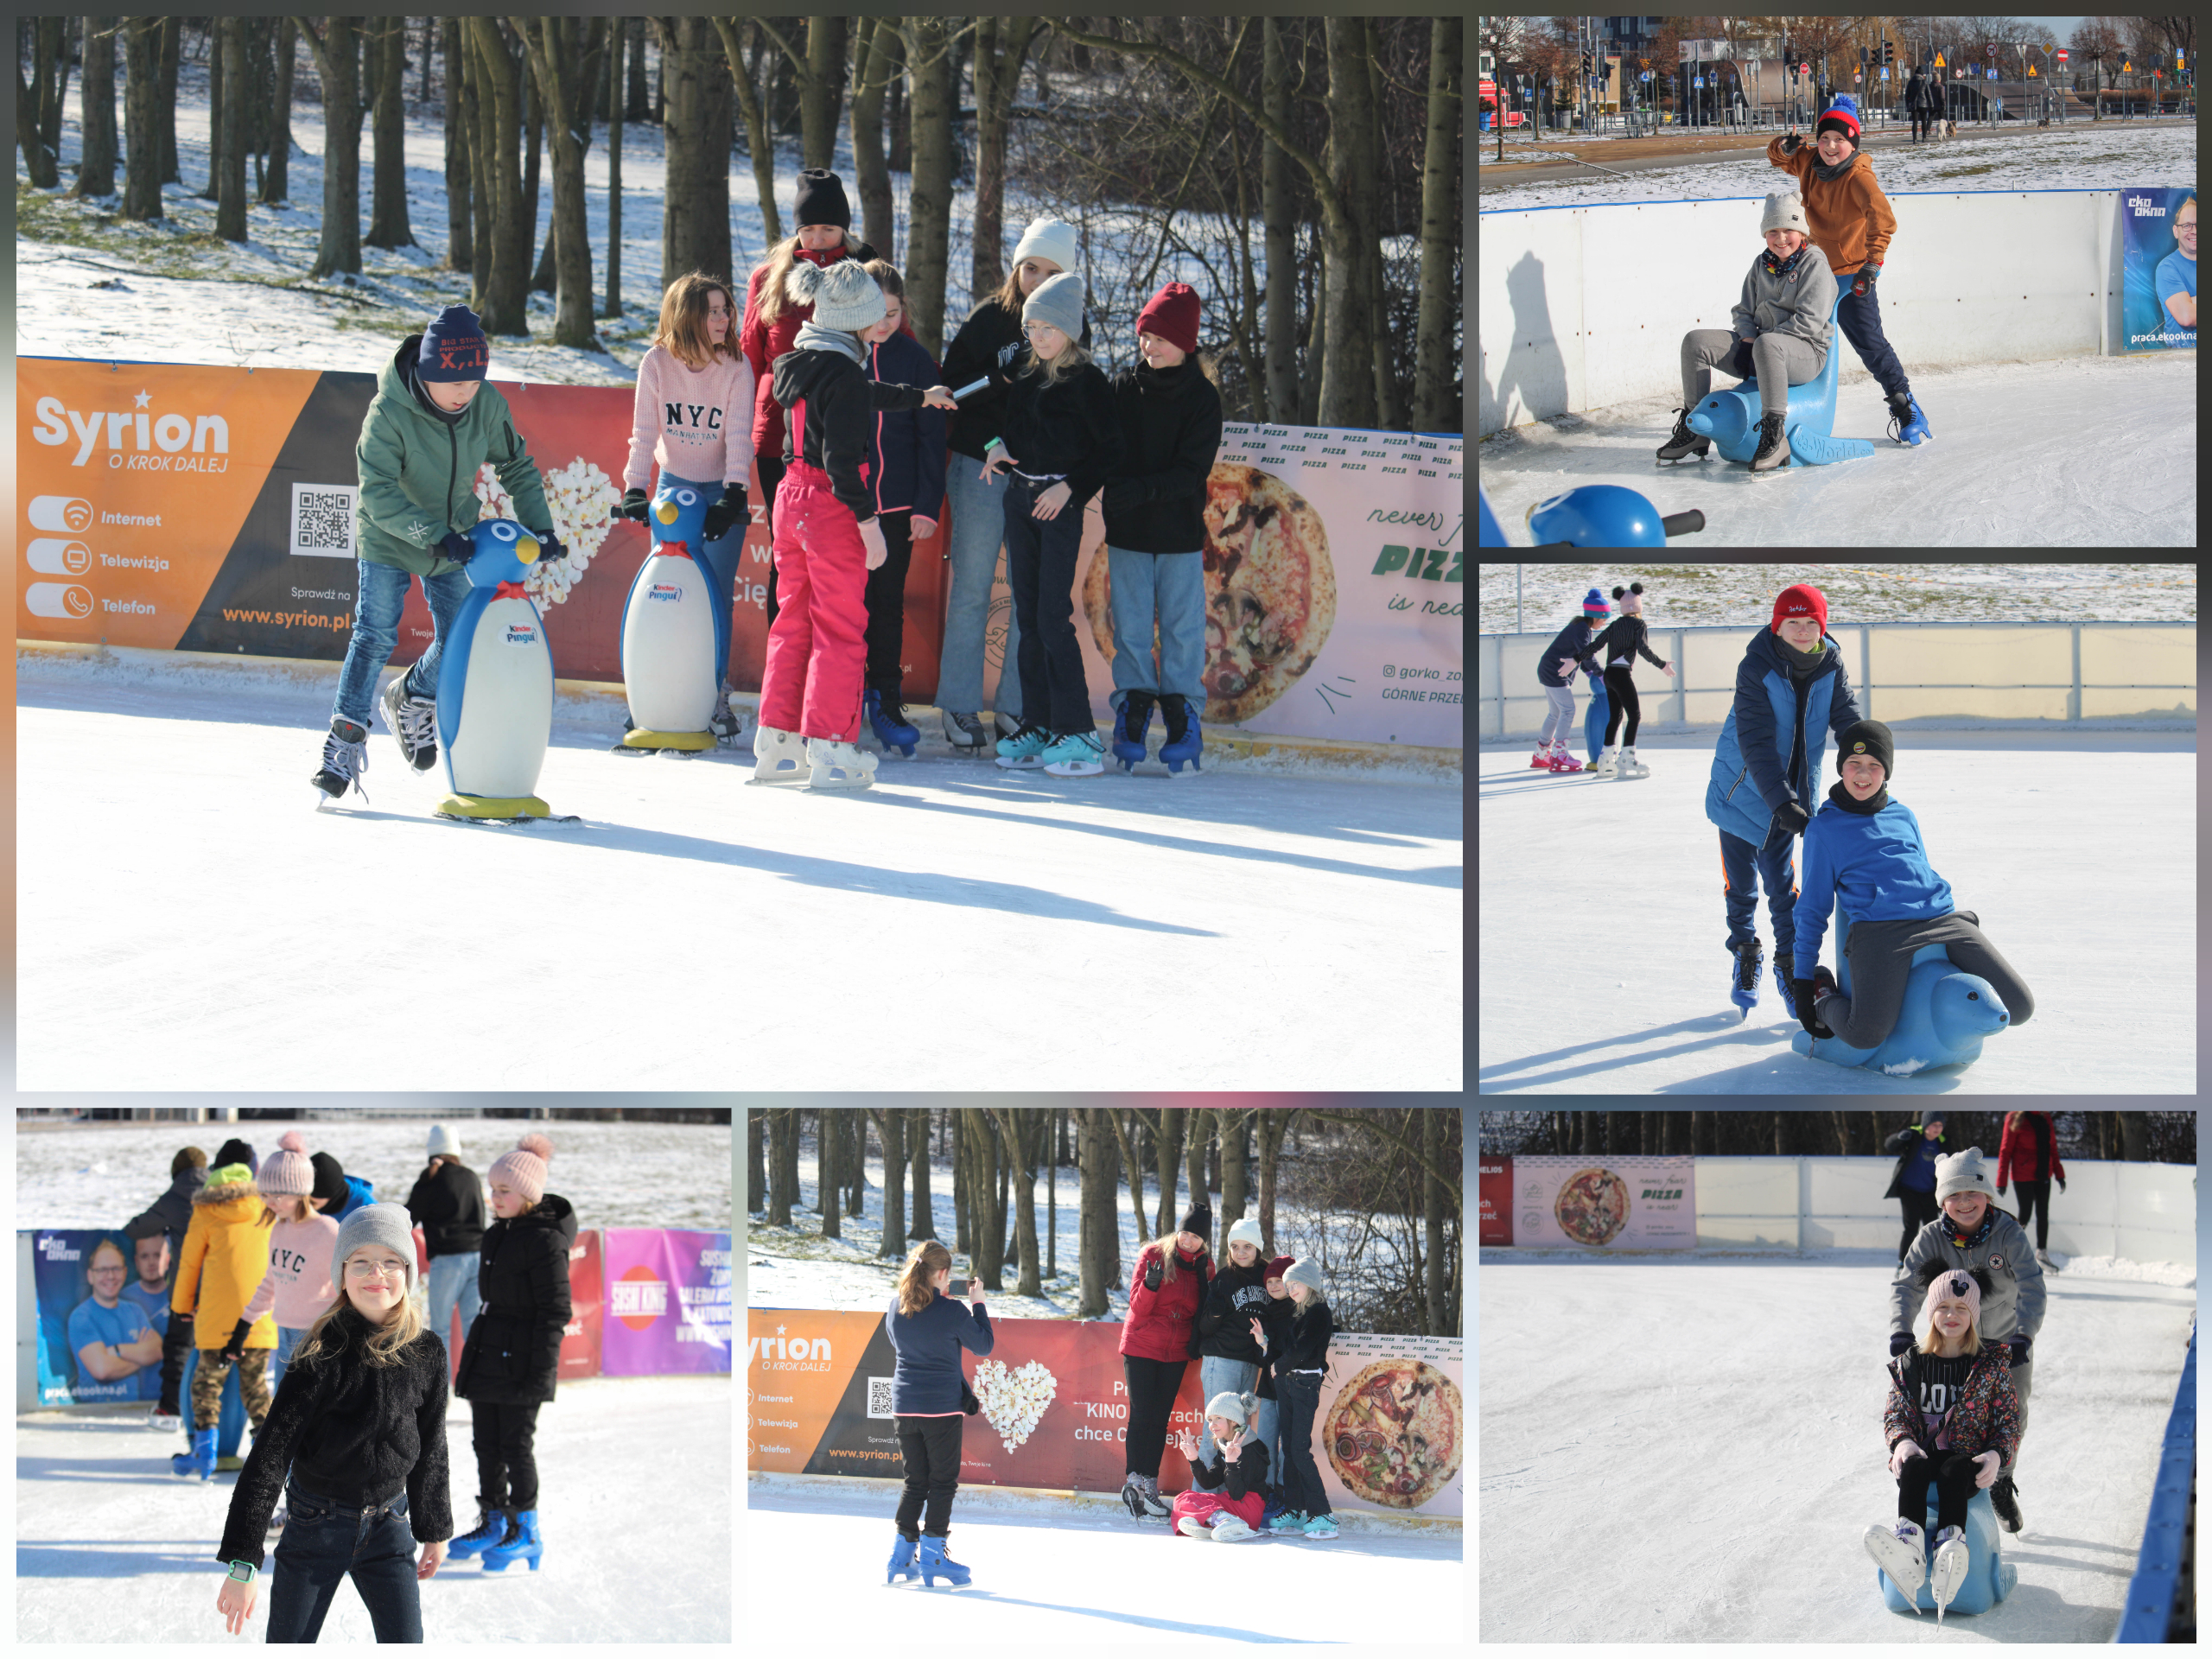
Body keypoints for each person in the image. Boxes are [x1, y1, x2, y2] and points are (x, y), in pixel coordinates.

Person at [314, 305, 563, 804]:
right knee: (375, 632)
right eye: (456, 385)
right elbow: (377, 490)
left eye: (475, 382)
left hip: (454, 537)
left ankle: (411, 695)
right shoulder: (388, 412)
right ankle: (342, 743)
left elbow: (515, 463)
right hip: (390, 535)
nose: (466, 394)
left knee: (461, 639)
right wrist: (430, 532)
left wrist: (540, 525)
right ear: (428, 374)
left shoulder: (485, 404)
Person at [756, 260, 960, 790]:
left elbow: (860, 395)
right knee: (841, 628)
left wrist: (920, 396)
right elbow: (844, 461)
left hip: (791, 501)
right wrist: (868, 523)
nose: (880, 328)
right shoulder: (845, 372)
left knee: (792, 620)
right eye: (873, 319)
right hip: (831, 506)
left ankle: (777, 737)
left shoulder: (802, 361)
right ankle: (831, 745)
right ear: (853, 320)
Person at [214, 1203, 451, 1643]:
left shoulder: (427, 1351)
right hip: (315, 1525)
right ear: (341, 1274)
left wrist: (434, 1528)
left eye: (389, 1262)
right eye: (360, 1262)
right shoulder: (319, 1354)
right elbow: (269, 1456)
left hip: (389, 1527)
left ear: (408, 1272)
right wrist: (243, 1561)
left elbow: (431, 1445)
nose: (375, 1274)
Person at [936, 218, 1090, 749]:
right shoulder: (990, 318)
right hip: (980, 465)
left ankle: (1019, 709)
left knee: (1032, 597)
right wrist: (994, 388)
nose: (1036, 279)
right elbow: (951, 388)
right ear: (1016, 266)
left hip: (1037, 477)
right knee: (974, 588)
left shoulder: (1069, 324)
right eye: (1029, 267)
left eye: (1050, 272)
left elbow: (1076, 407)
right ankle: (957, 705)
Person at [1793, 719, 2037, 1052]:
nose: (1863, 775)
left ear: (1886, 773)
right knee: (1864, 1034)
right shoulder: (1824, 829)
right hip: (1882, 932)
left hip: (1943, 921)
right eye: (1854, 764)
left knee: (2019, 1008)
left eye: (1874, 766)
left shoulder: (1903, 815)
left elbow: (1919, 868)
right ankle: (1826, 995)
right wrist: (1805, 982)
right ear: (1841, 768)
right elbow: (1812, 910)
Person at [985, 270, 1125, 778]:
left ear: (1070, 329)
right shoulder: (1025, 375)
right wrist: (997, 449)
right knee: (1027, 618)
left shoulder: (1088, 383)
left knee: (1051, 618)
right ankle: (1040, 722)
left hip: (1058, 506)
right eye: (1033, 326)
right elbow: (1009, 433)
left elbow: (1111, 448)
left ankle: (1080, 731)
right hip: (1019, 502)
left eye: (1048, 327)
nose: (1038, 336)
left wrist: (1071, 489)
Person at [1703, 582, 1861, 1023]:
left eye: (1812, 622)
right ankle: (1746, 951)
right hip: (1741, 794)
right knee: (1741, 887)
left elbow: (1846, 718)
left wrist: (1870, 758)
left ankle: (1789, 969)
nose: (1803, 630)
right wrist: (1782, 803)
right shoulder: (1756, 666)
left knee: (1782, 888)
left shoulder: (1831, 664)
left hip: (1791, 797)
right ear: (1778, 624)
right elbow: (1754, 743)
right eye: (1793, 621)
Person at [617, 270, 757, 742]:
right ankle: (655, 692)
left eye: (725, 310)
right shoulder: (657, 362)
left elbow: (740, 434)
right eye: (712, 311)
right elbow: (644, 433)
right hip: (674, 484)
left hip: (720, 487)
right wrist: (636, 488)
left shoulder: (736, 366)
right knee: (670, 590)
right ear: (689, 317)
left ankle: (712, 692)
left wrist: (735, 492)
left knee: (714, 596)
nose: (723, 319)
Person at [739, 168, 882, 626]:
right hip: (779, 439)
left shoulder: (864, 273)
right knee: (787, 559)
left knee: (838, 558)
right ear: (796, 229)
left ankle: (829, 675)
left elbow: (894, 337)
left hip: (842, 439)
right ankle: (783, 673)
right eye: (809, 228)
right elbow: (749, 360)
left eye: (828, 228)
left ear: (844, 227)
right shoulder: (768, 277)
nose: (818, 238)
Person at [1099, 280, 1223, 774]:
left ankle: (1182, 715)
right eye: (1145, 335)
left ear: (1186, 343)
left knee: (1181, 629)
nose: (1150, 346)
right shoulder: (1124, 388)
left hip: (1176, 534)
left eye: (1161, 338)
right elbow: (1104, 445)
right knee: (1129, 628)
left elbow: (1192, 471)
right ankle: (1131, 711)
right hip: (1128, 532)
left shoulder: (1202, 400)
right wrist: (1112, 484)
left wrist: (1141, 490)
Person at [1887, 1147, 2042, 1535]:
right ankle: (1946, 1484)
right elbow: (1906, 1286)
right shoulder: (1930, 1238)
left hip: (2007, 1339)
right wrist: (1901, 1329)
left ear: (1986, 1194)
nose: (1964, 1203)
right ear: (1942, 1201)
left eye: (1971, 1193)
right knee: (1948, 1412)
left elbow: (2031, 1286)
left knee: (2010, 1414)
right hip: (1953, 1338)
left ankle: (2001, 1479)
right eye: (1953, 1195)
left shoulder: (2008, 1232)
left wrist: (2024, 1333)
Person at [1767, 95, 1930, 446]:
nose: (1830, 146)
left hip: (1854, 274)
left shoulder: (1859, 178)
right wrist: (1786, 145)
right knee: (1796, 338)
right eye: (1825, 138)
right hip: (1814, 272)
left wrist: (1873, 263)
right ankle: (1786, 410)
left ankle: (1906, 407)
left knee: (1870, 344)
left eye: (1840, 140)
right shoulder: (1810, 161)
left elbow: (1883, 221)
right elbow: (1778, 158)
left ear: (1852, 142)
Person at [1865, 1263, 2021, 1622]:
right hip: (1922, 1456)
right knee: (1916, 1468)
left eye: (1962, 1309)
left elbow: (2007, 1421)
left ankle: (1953, 1547)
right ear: (1931, 1312)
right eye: (1943, 1308)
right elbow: (1896, 1414)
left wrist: (1997, 1455)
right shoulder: (1912, 1363)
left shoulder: (1989, 1365)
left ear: (1974, 1315)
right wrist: (1902, 1442)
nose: (1952, 1316)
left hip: (1964, 1463)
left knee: (1953, 1469)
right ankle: (1909, 1547)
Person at [449, 1135, 572, 1573]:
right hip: (489, 1354)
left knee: (515, 1447)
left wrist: (540, 1374)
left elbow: (555, 1310)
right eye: (493, 1189)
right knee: (486, 1444)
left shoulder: (546, 1241)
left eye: (504, 1191)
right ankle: (494, 1520)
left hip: (522, 1362)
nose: (494, 1197)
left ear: (528, 1195)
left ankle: (527, 1531)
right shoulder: (496, 1234)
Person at [1659, 191, 1836, 474]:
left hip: (1805, 353)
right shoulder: (1762, 264)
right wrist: (1747, 339)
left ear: (1801, 232)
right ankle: (1695, 430)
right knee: (1696, 342)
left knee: (1770, 345)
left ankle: (1775, 437)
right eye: (1773, 231)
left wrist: (1761, 346)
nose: (1780, 239)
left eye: (1788, 230)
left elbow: (1809, 321)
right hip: (1762, 349)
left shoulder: (1814, 263)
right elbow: (1743, 310)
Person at [854, 258, 948, 758]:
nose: (884, 323)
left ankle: (885, 700)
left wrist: (926, 505)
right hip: (845, 505)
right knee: (842, 606)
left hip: (894, 507)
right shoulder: (842, 353)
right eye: (876, 312)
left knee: (885, 606)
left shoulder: (916, 360)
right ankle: (839, 698)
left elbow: (933, 440)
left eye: (892, 312)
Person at [883, 1239, 993, 1589]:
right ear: (943, 1273)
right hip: (941, 1409)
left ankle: (901, 1554)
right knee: (942, 1483)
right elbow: (984, 1345)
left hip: (904, 1405)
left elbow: (900, 1343)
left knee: (915, 1481)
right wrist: (978, 1305)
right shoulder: (953, 1310)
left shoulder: (895, 1306)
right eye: (949, 1276)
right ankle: (932, 1555)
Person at [168, 1160, 277, 1481]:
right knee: (257, 1389)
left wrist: (181, 1306)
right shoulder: (266, 1209)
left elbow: (188, 1264)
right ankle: (267, 1461)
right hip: (258, 1318)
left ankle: (205, 1454)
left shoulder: (205, 1211)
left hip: (216, 1321)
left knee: (206, 1387)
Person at [1118, 1205, 1215, 1520]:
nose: (1188, 1241)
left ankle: (1149, 1484)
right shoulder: (1154, 1255)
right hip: (1143, 1343)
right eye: (1184, 1233)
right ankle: (1133, 1481)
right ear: (1177, 1231)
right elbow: (1137, 1307)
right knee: (1142, 1414)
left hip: (1176, 1351)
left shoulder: (1205, 1266)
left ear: (1204, 1241)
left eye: (1195, 1237)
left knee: (1160, 1419)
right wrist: (1151, 1285)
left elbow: (1206, 1310)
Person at [237, 1134, 340, 1400]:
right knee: (283, 1410)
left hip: (316, 1337)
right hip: (283, 1333)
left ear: (300, 1192)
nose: (270, 1202)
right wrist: (243, 1324)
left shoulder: (327, 1231)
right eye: (265, 1194)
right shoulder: (279, 1229)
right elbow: (272, 1281)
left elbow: (348, 1285)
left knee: (310, 1412)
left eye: (278, 1195)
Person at [124, 1145, 208, 1426]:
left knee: (179, 1349)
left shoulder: (175, 1198)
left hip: (188, 1290)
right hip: (223, 1290)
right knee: (217, 1351)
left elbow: (137, 1228)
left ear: (177, 1171)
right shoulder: (222, 1194)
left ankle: (172, 1408)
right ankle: (211, 1415)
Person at [1568, 582, 1673, 780]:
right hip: (1621, 675)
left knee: (1615, 717)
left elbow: (1595, 646)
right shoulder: (1639, 624)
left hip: (1609, 675)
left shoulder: (1615, 624)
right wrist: (1662, 665)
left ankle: (1605, 759)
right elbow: (1643, 649)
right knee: (1634, 715)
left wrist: (1575, 659)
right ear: (1638, 606)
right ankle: (1626, 758)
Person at [1267, 1257, 1338, 1540]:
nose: (1290, 1288)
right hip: (1287, 1383)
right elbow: (1288, 1346)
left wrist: (1280, 1365)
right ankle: (1295, 1508)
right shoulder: (1298, 1312)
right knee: (1289, 1449)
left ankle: (1323, 1514)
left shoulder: (1319, 1311)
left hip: (1304, 1383)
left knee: (1298, 1449)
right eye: (1288, 1284)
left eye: (1295, 1283)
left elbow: (1304, 1347)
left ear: (1309, 1283)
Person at [1192, 1217, 1271, 1466]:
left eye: (1247, 1246)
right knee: (1215, 1431)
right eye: (1234, 1247)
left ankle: (1230, 1494)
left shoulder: (1267, 1277)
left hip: (1250, 1362)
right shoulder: (1224, 1278)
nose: (1240, 1252)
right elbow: (1204, 1327)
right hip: (1222, 1360)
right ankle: (1203, 1498)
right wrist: (1214, 1312)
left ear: (1257, 1248)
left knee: (1238, 1435)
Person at [405, 1122, 487, 1359]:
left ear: (431, 1151)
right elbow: (481, 1218)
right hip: (477, 1256)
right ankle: (477, 1391)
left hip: (448, 1260)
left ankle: (442, 1396)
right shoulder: (471, 1176)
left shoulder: (432, 1180)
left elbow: (408, 1217)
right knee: (474, 1330)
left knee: (440, 1331)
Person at [67, 1236, 162, 1395]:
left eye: (116, 1269)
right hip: (94, 1413)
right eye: (102, 1270)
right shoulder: (81, 1317)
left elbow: (157, 1351)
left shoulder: (135, 1311)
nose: (111, 1276)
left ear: (125, 1273)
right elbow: (102, 1370)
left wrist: (117, 1351)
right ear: (91, 1276)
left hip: (133, 1411)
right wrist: (141, 1357)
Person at [1170, 1390, 1268, 1541]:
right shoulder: (1225, 1445)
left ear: (1233, 1420)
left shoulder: (1250, 1448)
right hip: (1234, 1505)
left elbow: (1238, 1494)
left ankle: (1222, 1521)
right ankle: (1208, 1524)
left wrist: (1231, 1462)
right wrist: (1194, 1458)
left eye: (1218, 1418)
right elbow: (1209, 1482)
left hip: (1249, 1508)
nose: (1212, 1425)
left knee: (1187, 1502)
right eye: (1209, 1419)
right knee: (1182, 1499)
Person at [1531, 588, 1611, 772]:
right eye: (1604, 618)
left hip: (1548, 669)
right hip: (1555, 672)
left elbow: (1579, 655)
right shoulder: (1582, 629)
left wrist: (1589, 672)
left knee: (1555, 713)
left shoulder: (1581, 627)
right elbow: (1586, 654)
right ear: (1597, 615)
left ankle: (1540, 754)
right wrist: (1600, 673)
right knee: (1568, 710)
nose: (1604, 623)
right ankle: (1559, 754)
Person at [1252, 1255, 1299, 1497]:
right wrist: (1262, 1343)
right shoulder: (1267, 1313)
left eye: (1278, 1280)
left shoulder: (1299, 1311)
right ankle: (1265, 1490)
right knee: (1265, 1441)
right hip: (1270, 1388)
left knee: (1288, 1445)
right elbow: (1266, 1358)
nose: (1273, 1286)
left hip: (1291, 1387)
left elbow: (1294, 1350)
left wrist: (1270, 1347)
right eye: (1269, 1281)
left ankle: (1284, 1490)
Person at [1995, 1112, 2065, 1268]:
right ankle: (2011, 1250)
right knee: (2025, 1214)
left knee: (2042, 1214)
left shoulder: (2045, 1117)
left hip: (2043, 1173)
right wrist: (2002, 1179)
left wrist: (2059, 1174)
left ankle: (2041, 1252)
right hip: (2023, 1175)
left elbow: (2052, 1147)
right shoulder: (2014, 1117)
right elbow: (2006, 1150)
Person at [1880, 1116, 1949, 1264]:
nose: (1937, 1128)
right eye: (1934, 1124)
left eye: (1940, 1125)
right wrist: (1898, 1138)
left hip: (1931, 1192)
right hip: (1909, 1191)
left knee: (1932, 1229)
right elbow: (1889, 1146)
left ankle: (1932, 1262)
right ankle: (1903, 1262)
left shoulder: (1943, 1142)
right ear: (1925, 1125)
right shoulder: (1913, 1135)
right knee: (1911, 1228)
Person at [2155, 195, 2196, 334]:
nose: (2194, 231)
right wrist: (2187, 306)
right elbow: (2186, 317)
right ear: (2175, 231)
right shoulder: (2167, 268)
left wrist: (2191, 301)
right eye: (2187, 226)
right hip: (2184, 351)